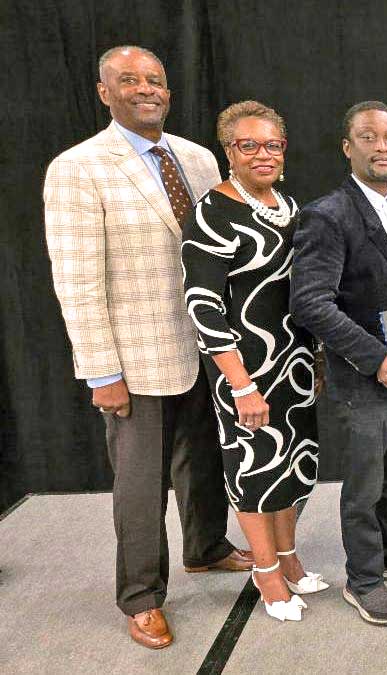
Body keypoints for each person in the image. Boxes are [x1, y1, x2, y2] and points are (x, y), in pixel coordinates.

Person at [43, 45, 250, 649]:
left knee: (204, 460)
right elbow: (77, 282)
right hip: (134, 358)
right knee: (140, 485)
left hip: (207, 345)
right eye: (129, 80)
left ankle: (205, 547)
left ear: (168, 90)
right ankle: (141, 596)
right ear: (104, 92)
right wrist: (100, 371)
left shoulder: (198, 158)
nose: (146, 89)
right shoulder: (78, 167)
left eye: (155, 80)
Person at [291, 101, 387, 626]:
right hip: (364, 379)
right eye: (369, 137)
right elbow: (310, 303)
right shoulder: (328, 215)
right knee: (364, 488)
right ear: (347, 147)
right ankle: (363, 580)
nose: (382, 147)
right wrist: (373, 355)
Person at [182, 101, 324, 622]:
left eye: (272, 145)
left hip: (293, 361)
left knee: (290, 466)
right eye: (249, 145)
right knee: (255, 470)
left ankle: (288, 558)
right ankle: (266, 573)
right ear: (229, 151)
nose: (263, 154)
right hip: (244, 369)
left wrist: (316, 353)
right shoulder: (213, 212)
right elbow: (202, 304)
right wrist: (240, 384)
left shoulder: (287, 204)